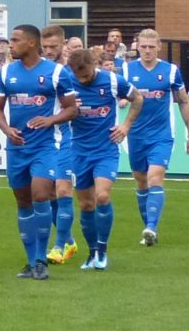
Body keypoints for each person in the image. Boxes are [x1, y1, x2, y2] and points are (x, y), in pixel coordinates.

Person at [0, 25, 77, 281]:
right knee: (23, 201)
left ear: (31, 43)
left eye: (15, 40)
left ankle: (41, 259)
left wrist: (50, 120)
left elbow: (71, 109)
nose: (11, 45)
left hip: (46, 146)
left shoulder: (56, 73)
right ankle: (30, 261)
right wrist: (6, 129)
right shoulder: (6, 73)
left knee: (40, 194)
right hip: (17, 147)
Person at [66, 48, 142, 270]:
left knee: (102, 196)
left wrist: (126, 125)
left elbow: (137, 98)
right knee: (86, 204)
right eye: (79, 77)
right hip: (78, 150)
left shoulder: (112, 81)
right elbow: (55, 108)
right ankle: (92, 253)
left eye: (87, 75)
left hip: (105, 149)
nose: (84, 80)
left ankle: (102, 249)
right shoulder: (67, 82)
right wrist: (68, 109)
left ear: (94, 65)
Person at [120, 29, 189, 246]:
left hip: (162, 135)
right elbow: (113, 95)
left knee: (155, 177)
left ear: (159, 47)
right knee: (141, 181)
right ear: (137, 47)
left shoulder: (170, 71)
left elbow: (183, 101)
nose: (147, 51)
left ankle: (151, 226)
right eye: (143, 46)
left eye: (151, 47)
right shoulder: (126, 70)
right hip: (135, 135)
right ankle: (150, 230)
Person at [39, 25, 79, 264]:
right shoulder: (41, 72)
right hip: (46, 140)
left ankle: (57, 246)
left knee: (64, 189)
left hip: (70, 139)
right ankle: (69, 240)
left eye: (54, 46)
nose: (49, 51)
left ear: (64, 46)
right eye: (45, 47)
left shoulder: (75, 73)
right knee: (50, 192)